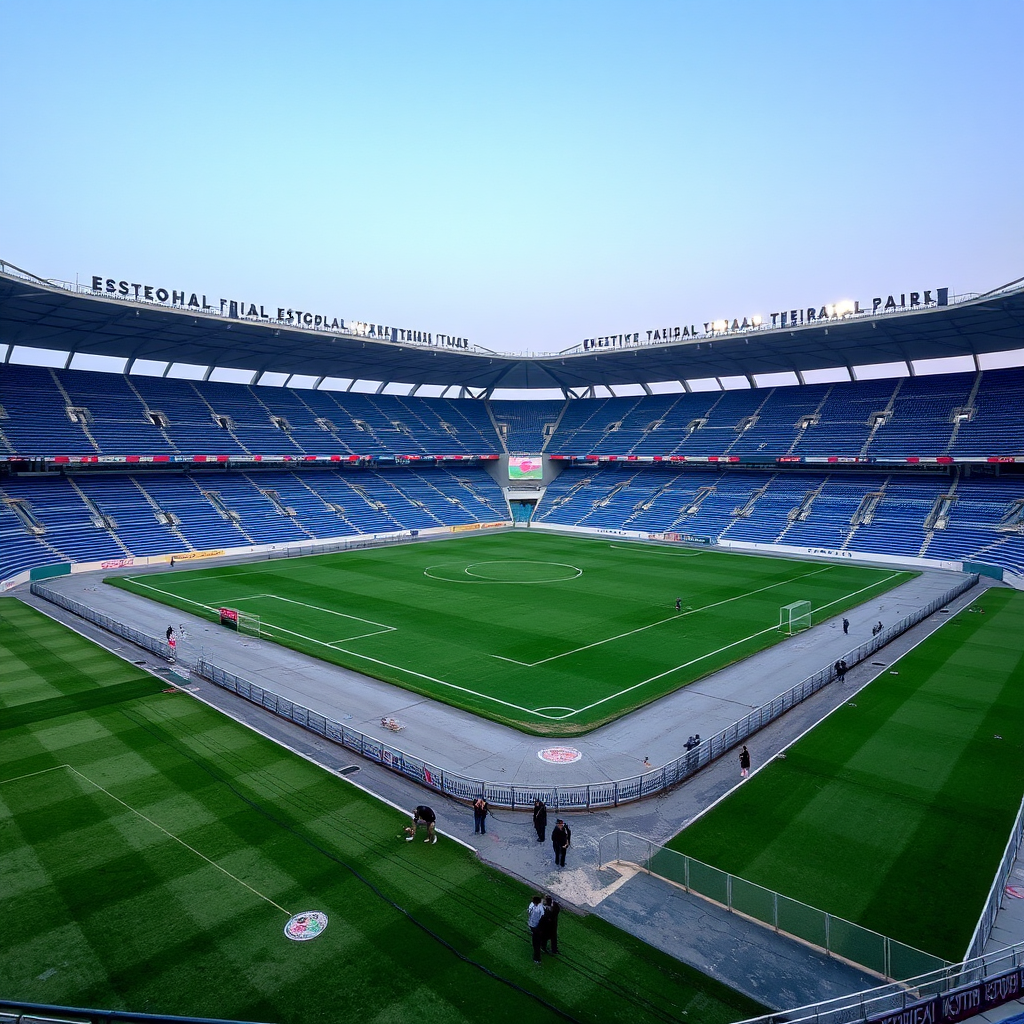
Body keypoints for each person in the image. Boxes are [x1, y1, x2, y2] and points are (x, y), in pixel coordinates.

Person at [527, 896, 545, 963]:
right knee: (537, 940)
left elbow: (542, 917)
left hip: (535, 925)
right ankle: (538, 954)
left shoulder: (538, 907)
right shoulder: (537, 907)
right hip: (534, 925)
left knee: (536, 942)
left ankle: (537, 957)